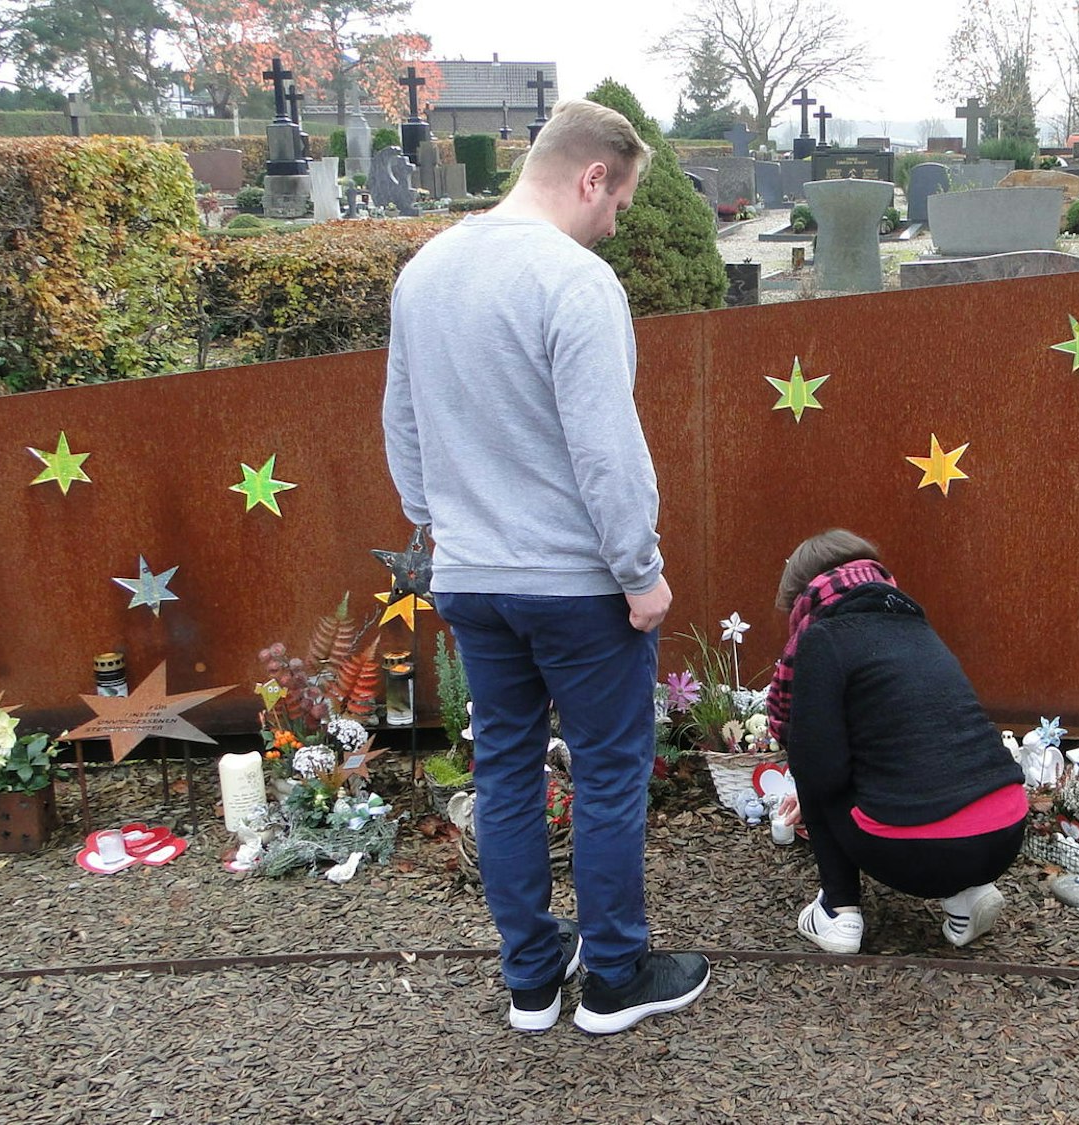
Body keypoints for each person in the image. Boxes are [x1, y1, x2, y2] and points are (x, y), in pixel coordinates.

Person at [383, 98, 709, 1035]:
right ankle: (612, 976)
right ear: (592, 175)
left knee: (506, 773)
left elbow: (401, 427)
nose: (617, 224)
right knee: (608, 773)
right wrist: (640, 571)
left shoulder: (426, 270)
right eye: (620, 201)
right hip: (576, 584)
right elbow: (607, 449)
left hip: (472, 580)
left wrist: (443, 527)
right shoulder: (573, 281)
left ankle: (531, 978)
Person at [765, 529, 1027, 955]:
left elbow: (820, 769)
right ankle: (967, 896)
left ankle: (837, 912)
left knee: (816, 774)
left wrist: (805, 787)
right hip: (1006, 831)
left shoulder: (823, 638)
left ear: (802, 596)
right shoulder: (916, 626)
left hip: (913, 852)